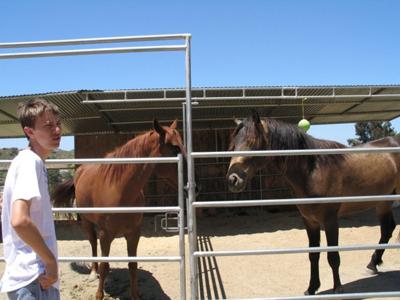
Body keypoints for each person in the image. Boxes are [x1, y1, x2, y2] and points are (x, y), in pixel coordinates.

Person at [0, 98, 61, 299]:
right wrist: (51, 262)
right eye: (48, 125)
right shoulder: (30, 162)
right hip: (35, 278)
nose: (57, 130)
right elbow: (19, 221)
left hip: (32, 279)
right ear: (30, 132)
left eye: (58, 124)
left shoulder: (28, 161)